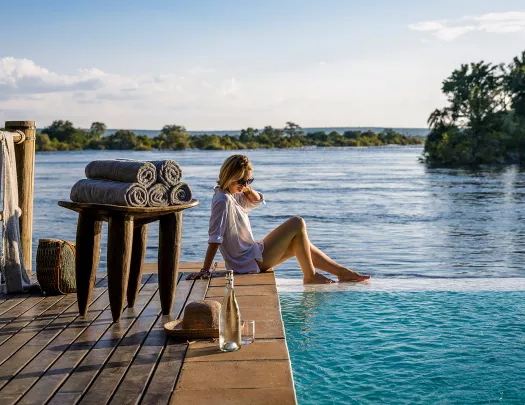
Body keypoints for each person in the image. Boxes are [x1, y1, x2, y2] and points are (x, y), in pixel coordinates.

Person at [187, 154, 370, 284]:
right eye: (241, 181)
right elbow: (215, 237)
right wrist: (205, 270)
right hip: (246, 262)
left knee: (300, 241)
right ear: (230, 177)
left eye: (248, 181)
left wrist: (247, 188)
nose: (244, 186)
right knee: (297, 222)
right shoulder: (222, 200)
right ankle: (310, 276)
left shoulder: (233, 195)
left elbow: (258, 200)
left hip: (251, 255)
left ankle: (343, 273)